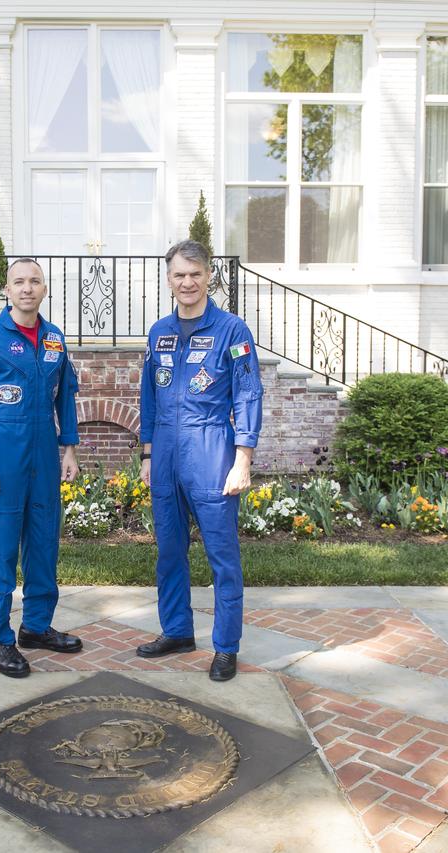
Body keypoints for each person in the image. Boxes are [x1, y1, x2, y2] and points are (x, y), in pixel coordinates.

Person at [136, 240, 264, 681]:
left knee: (221, 555)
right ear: (168, 280)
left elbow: (248, 394)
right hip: (167, 453)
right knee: (169, 550)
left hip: (212, 447)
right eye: (178, 275)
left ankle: (225, 646)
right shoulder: (158, 333)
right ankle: (177, 630)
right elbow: (148, 397)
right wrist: (148, 453)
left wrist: (242, 458)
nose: (187, 282)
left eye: (195, 273)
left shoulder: (232, 331)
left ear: (210, 275)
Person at [0, 257, 83, 677]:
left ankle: (36, 627)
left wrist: (69, 449)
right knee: (1, 547)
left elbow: (64, 396)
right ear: (7, 291)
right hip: (4, 453)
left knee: (45, 541)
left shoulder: (54, 339)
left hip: (45, 451)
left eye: (35, 281)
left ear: (44, 289)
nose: (27, 288)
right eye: (19, 282)